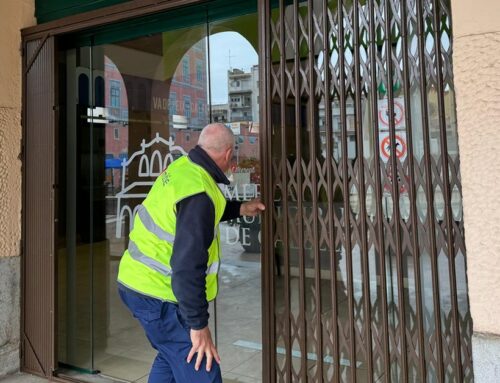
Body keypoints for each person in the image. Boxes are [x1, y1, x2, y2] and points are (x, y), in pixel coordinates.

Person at [117, 123, 265, 383]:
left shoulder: (184, 169)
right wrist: (197, 325)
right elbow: (187, 266)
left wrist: (240, 208)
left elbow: (199, 211)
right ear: (229, 153)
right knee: (201, 368)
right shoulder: (199, 191)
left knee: (171, 355)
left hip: (136, 283)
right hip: (158, 295)